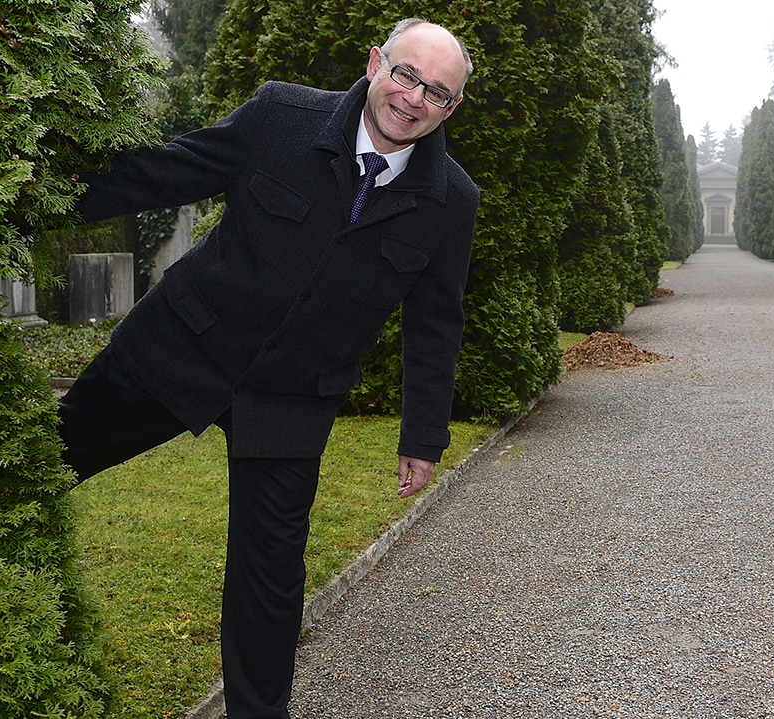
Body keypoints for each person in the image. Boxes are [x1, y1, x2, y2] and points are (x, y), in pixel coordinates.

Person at [57, 19, 478, 718]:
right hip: (182, 347)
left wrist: (422, 435)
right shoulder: (282, 115)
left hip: (293, 396)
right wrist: (40, 198)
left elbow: (436, 323)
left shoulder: (450, 202)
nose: (413, 99)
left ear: (450, 108)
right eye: (406, 74)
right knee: (49, 458)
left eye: (437, 92)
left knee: (271, 576)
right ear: (375, 62)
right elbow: (171, 169)